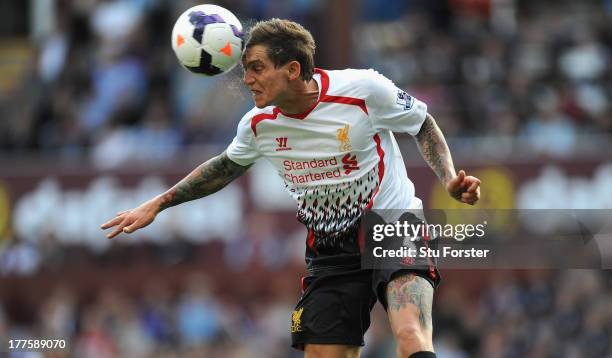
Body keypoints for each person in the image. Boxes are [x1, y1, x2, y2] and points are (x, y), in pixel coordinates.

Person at [101, 19, 480, 358]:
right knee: (321, 353)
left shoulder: (364, 89)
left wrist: (447, 177)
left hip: (392, 224)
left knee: (411, 334)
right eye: (246, 69)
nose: (247, 79)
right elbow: (224, 167)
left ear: (293, 69)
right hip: (330, 246)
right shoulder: (257, 125)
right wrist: (160, 202)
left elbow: (422, 122)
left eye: (257, 69)